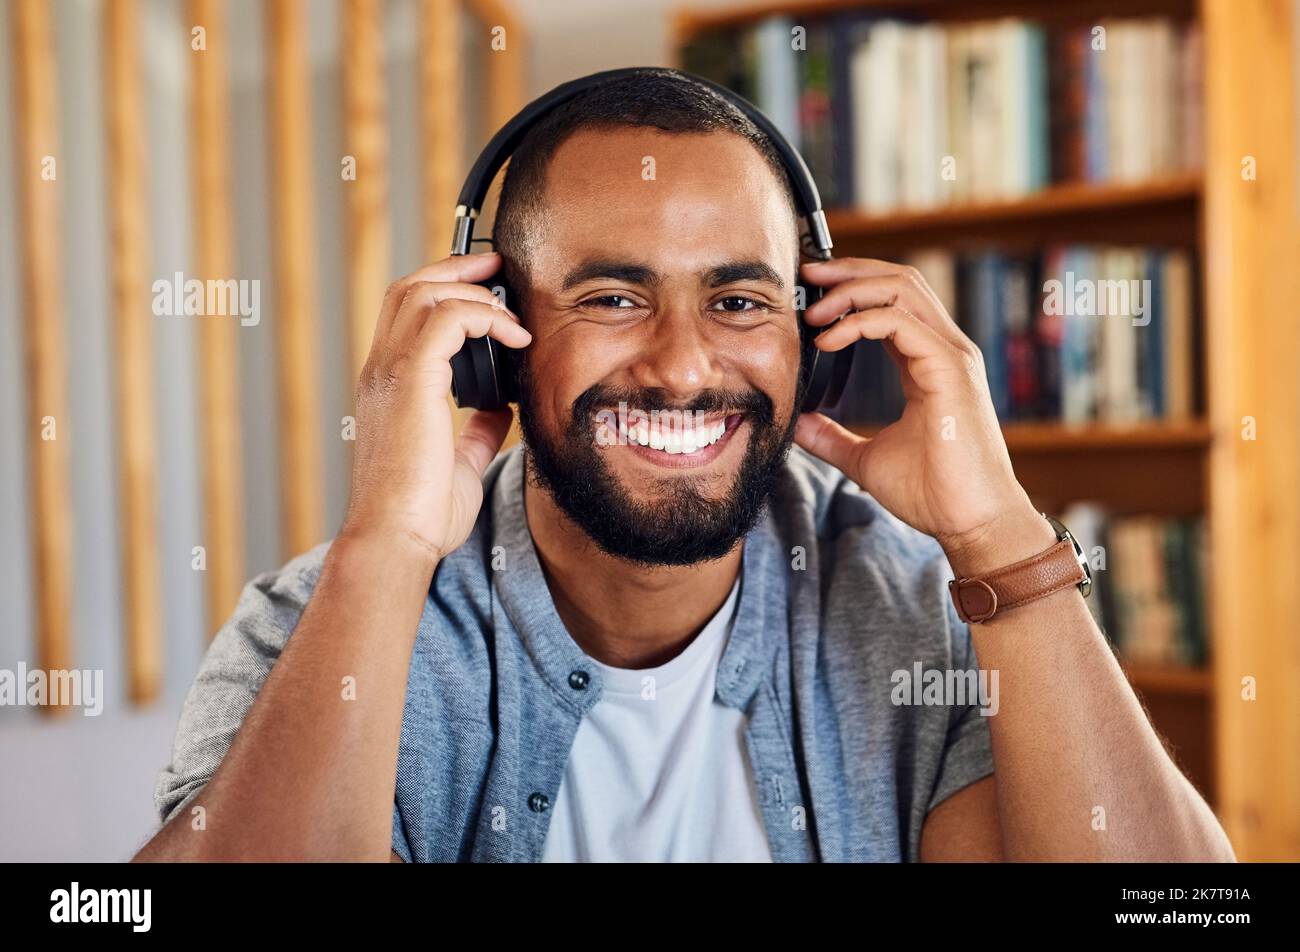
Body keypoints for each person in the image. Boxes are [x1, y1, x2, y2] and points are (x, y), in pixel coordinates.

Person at [135, 69, 1233, 862]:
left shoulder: (916, 610)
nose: (680, 364)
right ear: (488, 342)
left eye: (740, 300)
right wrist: (385, 545)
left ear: (820, 343)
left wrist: (997, 531)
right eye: (612, 297)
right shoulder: (314, 628)